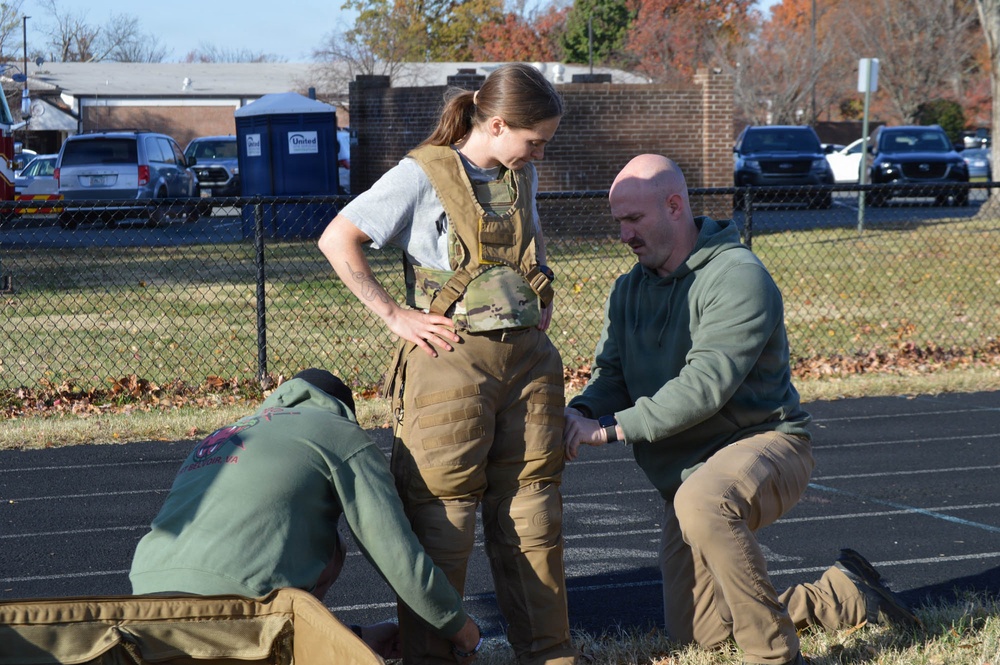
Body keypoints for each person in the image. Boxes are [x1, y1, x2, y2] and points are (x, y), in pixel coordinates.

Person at [563, 155, 921, 665]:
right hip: (688, 475)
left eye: (634, 220)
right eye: (618, 221)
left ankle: (774, 656)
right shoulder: (628, 291)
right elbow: (612, 377)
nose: (623, 234)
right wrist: (578, 412)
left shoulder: (738, 275)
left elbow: (706, 384)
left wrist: (607, 430)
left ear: (674, 206)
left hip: (767, 445)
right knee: (700, 634)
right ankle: (845, 595)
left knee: (704, 503)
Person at [317, 63, 576, 665]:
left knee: (533, 512)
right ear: (500, 124)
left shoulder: (522, 175)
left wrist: (542, 298)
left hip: (528, 367)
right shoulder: (423, 173)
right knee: (443, 520)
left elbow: (531, 249)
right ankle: (435, 658)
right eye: (533, 140)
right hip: (449, 359)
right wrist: (394, 315)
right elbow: (338, 238)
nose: (539, 152)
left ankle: (550, 655)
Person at [129, 368, 482, 662]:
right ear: (342, 411)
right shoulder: (339, 431)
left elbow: (230, 562)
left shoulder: (222, 434)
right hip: (233, 623)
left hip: (142, 611)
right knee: (333, 547)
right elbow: (399, 559)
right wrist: (464, 632)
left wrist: (356, 637)